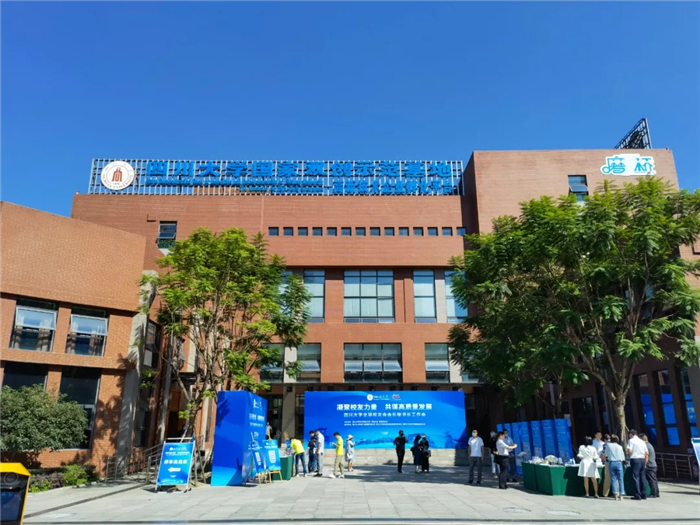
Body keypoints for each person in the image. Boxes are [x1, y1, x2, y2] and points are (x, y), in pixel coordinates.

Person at [627, 429, 648, 500]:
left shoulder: (631, 441)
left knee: (635, 477)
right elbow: (646, 452)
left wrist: (627, 452)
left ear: (631, 434)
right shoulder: (642, 441)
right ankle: (644, 494)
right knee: (642, 477)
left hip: (635, 459)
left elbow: (630, 451)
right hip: (642, 459)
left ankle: (637, 494)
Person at [605, 434, 626, 501]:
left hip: (611, 462)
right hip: (619, 462)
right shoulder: (620, 447)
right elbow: (623, 456)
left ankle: (615, 494)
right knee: (620, 479)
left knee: (613, 479)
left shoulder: (608, 445)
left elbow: (606, 454)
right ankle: (621, 494)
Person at [641, 433, 659, 498]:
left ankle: (653, 493)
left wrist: (645, 464)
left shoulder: (646, 446)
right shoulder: (650, 445)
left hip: (650, 465)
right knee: (654, 479)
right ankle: (656, 492)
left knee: (651, 480)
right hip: (653, 464)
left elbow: (646, 456)